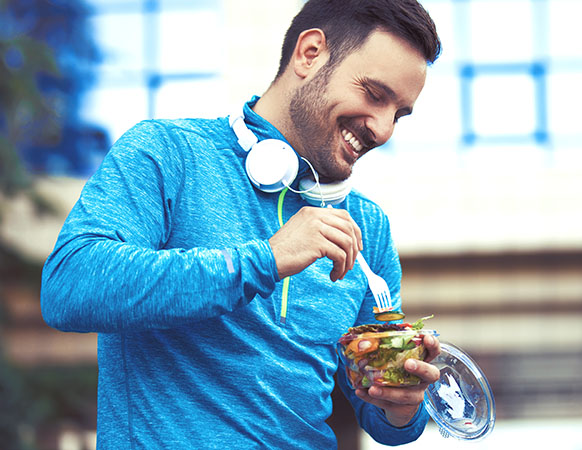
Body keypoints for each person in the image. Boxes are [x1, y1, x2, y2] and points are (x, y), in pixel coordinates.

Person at [40, 0, 442, 448]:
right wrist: (264, 260)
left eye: (399, 114)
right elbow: (68, 286)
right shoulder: (168, 153)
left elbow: (380, 414)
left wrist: (401, 405)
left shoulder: (369, 226)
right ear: (310, 54)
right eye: (374, 93)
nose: (384, 130)